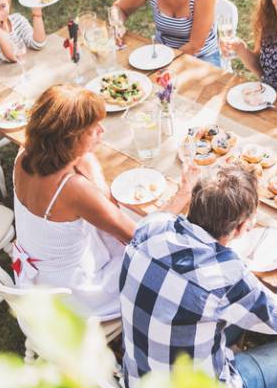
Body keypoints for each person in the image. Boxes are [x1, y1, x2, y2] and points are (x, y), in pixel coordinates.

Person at [119, 165, 277, 388]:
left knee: (227, 317)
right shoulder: (226, 275)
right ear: (242, 228)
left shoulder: (149, 227)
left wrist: (182, 191)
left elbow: (164, 218)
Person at [12, 84, 198, 320]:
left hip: (41, 275)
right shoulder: (72, 189)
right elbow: (142, 238)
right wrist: (183, 194)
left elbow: (84, 163)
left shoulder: (26, 151)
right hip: (75, 294)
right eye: (93, 129)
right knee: (166, 257)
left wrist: (87, 162)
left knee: (122, 217)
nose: (102, 131)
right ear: (71, 139)